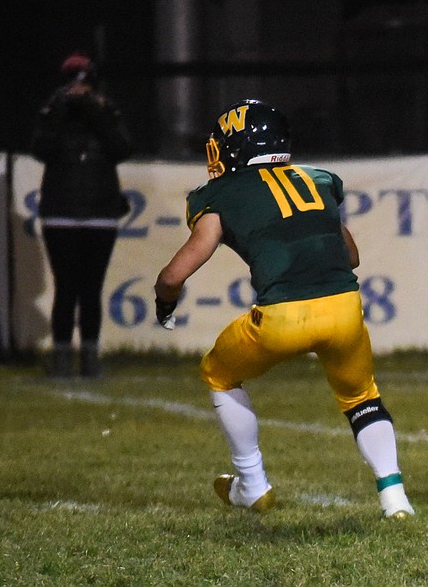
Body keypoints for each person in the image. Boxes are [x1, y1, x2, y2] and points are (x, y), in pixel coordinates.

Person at [153, 99, 414, 519]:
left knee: (219, 372)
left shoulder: (219, 194)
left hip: (281, 317)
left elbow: (173, 276)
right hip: (344, 309)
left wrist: (165, 304)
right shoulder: (317, 180)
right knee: (361, 396)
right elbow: (351, 256)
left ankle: (252, 484)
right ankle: (395, 498)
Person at [29, 52, 132, 378]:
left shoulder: (105, 109)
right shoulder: (53, 111)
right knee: (66, 287)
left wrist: (95, 111)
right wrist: (60, 109)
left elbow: (121, 148)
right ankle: (61, 357)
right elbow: (41, 148)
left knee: (91, 289)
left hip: (101, 211)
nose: (79, 91)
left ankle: (89, 356)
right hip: (60, 212)